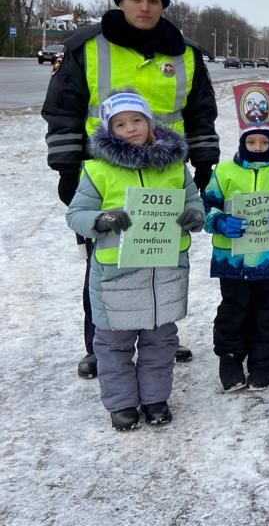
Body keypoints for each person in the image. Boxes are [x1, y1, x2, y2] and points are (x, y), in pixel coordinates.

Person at [42, 0, 218, 379]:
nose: (144, 7)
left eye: (154, 0)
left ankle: (161, 335)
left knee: (163, 258)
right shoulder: (86, 45)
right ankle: (99, 345)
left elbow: (200, 109)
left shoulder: (185, 52)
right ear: (120, 1)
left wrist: (205, 159)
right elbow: (63, 109)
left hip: (165, 175)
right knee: (104, 263)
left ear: (164, 5)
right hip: (106, 175)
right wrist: (67, 168)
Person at [65, 92, 204, 430]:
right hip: (117, 276)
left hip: (165, 273)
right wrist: (100, 220)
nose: (131, 128)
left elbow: (194, 203)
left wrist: (192, 217)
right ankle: (122, 403)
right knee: (114, 345)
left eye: (137, 120)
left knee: (161, 342)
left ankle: (156, 398)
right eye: (121, 123)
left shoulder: (175, 166)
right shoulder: (98, 171)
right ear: (109, 130)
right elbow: (76, 214)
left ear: (150, 122)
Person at [204, 126, 269, 391]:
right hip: (233, 261)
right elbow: (207, 206)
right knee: (233, 311)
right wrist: (218, 221)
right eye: (252, 141)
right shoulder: (225, 172)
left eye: (264, 141)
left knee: (268, 313)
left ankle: (263, 364)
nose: (258, 147)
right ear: (242, 142)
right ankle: (230, 360)